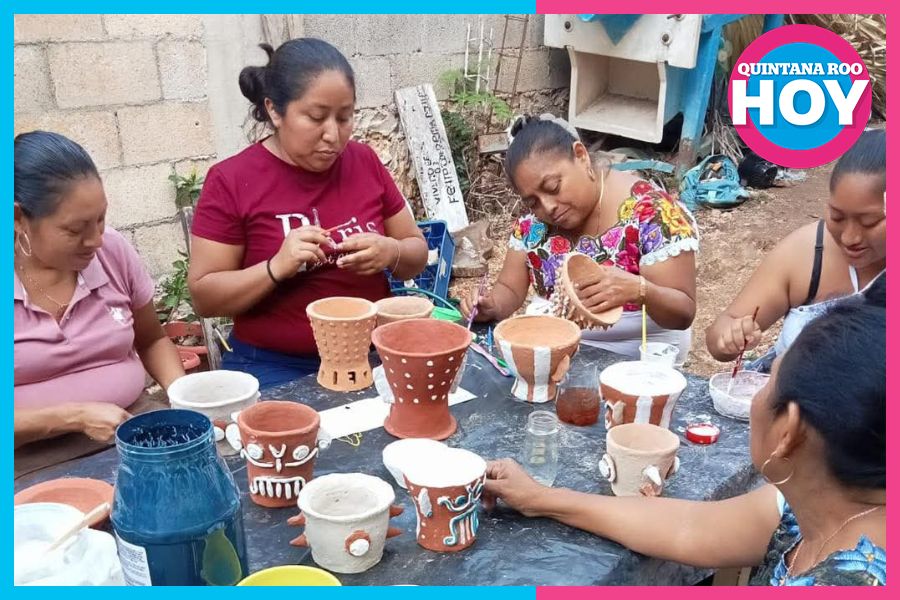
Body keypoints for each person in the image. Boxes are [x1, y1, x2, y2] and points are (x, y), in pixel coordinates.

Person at [483, 283, 885, 586]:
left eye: (768, 383)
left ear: (789, 431)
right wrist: (540, 498)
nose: (758, 394)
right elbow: (689, 526)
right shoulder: (817, 504)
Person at [188, 38, 427, 389]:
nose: (333, 134)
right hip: (275, 364)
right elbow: (205, 296)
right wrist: (276, 267)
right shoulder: (232, 180)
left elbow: (416, 251)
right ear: (274, 111)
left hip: (371, 353)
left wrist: (391, 252)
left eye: (344, 117)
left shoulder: (364, 162)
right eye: (316, 117)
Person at [460, 115, 698, 364]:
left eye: (553, 187)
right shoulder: (535, 225)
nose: (548, 206)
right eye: (532, 202)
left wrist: (639, 290)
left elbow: (682, 313)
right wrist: (491, 305)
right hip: (559, 347)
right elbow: (509, 289)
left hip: (638, 357)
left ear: (581, 156)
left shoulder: (651, 213)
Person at [14, 131, 185, 448]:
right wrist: (74, 417)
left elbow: (151, 340)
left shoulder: (112, 252)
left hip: (132, 426)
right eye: (75, 230)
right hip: (28, 457)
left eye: (101, 219)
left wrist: (185, 397)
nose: (95, 240)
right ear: (17, 218)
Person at [706, 129, 885, 371]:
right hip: (787, 394)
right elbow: (720, 335)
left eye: (870, 222)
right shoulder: (808, 252)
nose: (850, 237)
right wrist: (730, 335)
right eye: (837, 217)